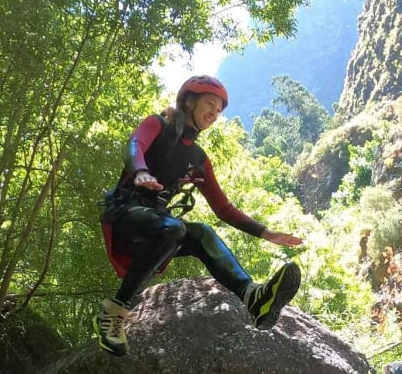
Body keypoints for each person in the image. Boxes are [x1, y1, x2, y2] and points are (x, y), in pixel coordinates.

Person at [95, 74, 303, 356]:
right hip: (123, 214)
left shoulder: (198, 159)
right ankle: (114, 312)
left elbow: (223, 208)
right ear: (189, 101)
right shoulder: (158, 124)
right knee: (175, 229)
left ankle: (252, 296)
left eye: (218, 110)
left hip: (157, 229)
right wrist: (140, 171)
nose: (214, 114)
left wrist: (266, 233)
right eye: (209, 105)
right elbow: (135, 145)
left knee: (201, 232)